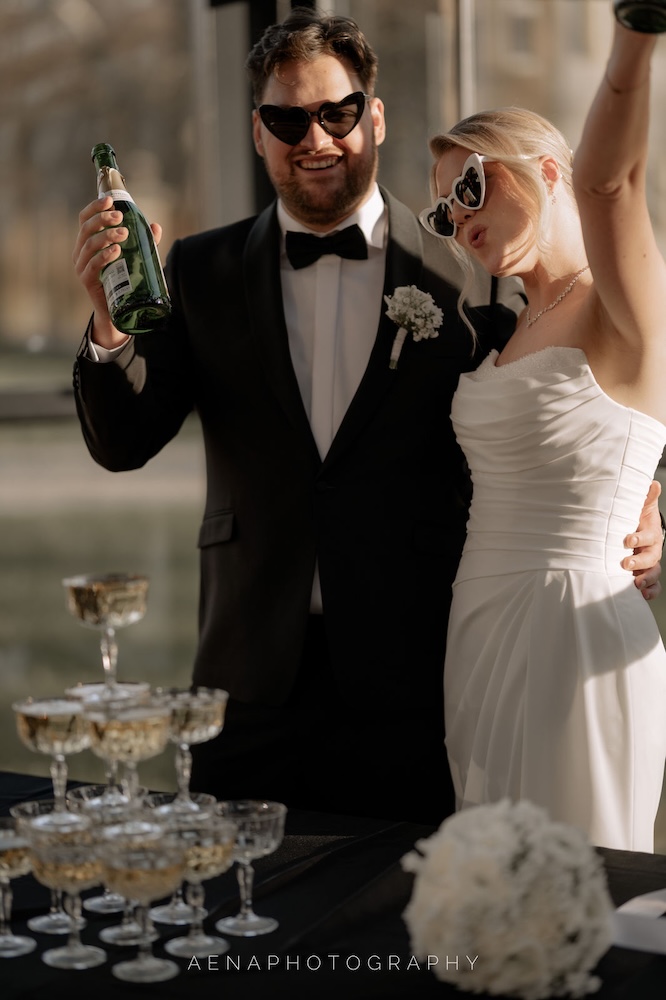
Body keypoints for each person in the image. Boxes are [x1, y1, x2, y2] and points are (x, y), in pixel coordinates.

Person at [71, 8, 662, 827]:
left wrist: (646, 500)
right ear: (257, 132)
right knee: (235, 900)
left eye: (338, 112)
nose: (315, 138)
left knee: (434, 900)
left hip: (415, 680)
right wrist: (108, 329)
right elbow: (123, 442)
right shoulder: (199, 270)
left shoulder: (479, 274)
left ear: (374, 117)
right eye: (288, 119)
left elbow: (593, 405)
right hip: (249, 679)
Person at [422, 10, 666, 849]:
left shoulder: (621, 304)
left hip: (577, 630)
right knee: (493, 883)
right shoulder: (502, 330)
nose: (458, 219)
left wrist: (636, 36)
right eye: (443, 215)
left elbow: (612, 185)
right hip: (479, 627)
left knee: (581, 882)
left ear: (547, 170)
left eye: (469, 188)